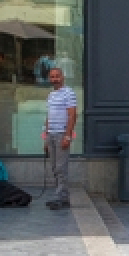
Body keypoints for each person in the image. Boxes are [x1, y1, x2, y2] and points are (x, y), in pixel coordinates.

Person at [42, 66, 77, 211]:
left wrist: (68, 136)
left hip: (62, 134)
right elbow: (49, 116)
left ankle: (62, 198)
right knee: (54, 168)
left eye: (57, 76)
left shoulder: (69, 93)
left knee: (61, 168)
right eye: (52, 77)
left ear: (62, 77)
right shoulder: (51, 95)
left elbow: (73, 115)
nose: (54, 79)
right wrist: (45, 136)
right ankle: (59, 196)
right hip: (51, 134)